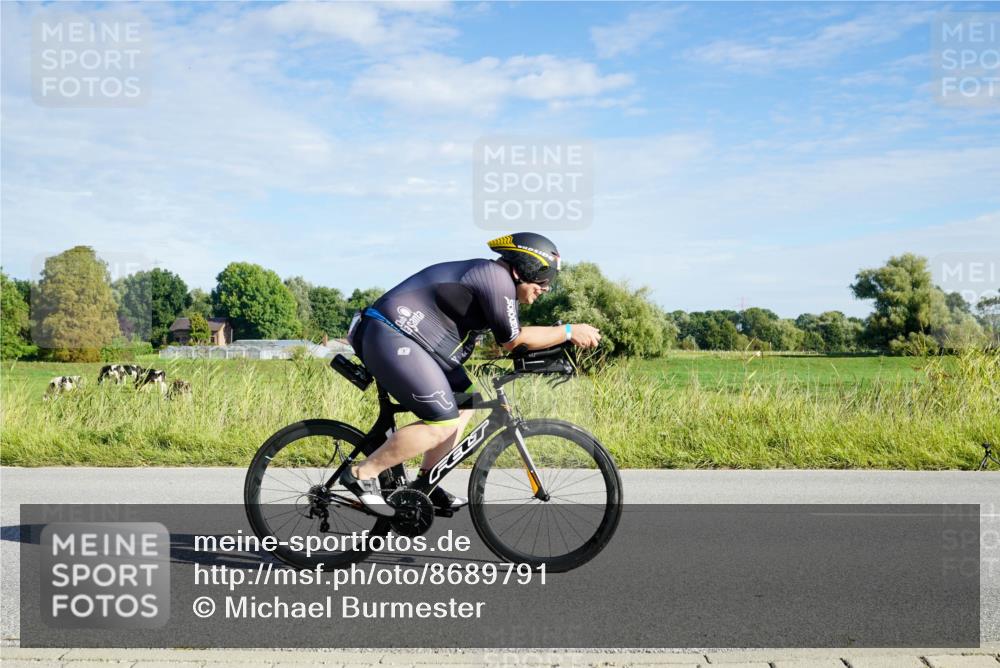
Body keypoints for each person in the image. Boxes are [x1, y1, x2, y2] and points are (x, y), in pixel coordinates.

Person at [341, 232, 602, 516]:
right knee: (441, 421)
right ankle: (362, 474)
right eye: (542, 280)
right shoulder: (496, 279)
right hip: (389, 334)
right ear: (525, 269)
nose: (545, 289)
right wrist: (567, 331)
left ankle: (424, 484)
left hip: (414, 342)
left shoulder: (502, 287)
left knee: (466, 404)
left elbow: (516, 341)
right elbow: (513, 341)